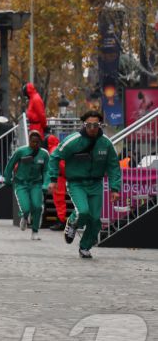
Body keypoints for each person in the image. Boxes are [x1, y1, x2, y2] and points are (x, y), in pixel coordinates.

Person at [48, 110, 121, 259]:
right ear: (84, 124)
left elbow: (114, 166)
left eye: (96, 125)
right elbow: (55, 157)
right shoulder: (73, 141)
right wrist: (53, 179)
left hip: (96, 184)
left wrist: (115, 188)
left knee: (95, 219)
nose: (92, 128)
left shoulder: (106, 143)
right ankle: (72, 221)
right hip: (76, 183)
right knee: (83, 212)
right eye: (89, 125)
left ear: (100, 125)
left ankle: (85, 247)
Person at [4, 130, 50, 240]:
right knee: (25, 208)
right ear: (29, 141)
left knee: (38, 206)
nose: (35, 144)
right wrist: (7, 178)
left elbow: (46, 170)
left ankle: (35, 231)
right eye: (33, 141)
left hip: (36, 184)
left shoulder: (44, 154)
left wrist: (45, 184)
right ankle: (24, 217)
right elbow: (10, 165)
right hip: (21, 184)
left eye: (37, 142)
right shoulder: (20, 151)